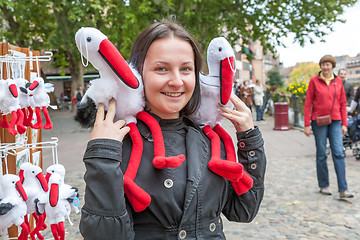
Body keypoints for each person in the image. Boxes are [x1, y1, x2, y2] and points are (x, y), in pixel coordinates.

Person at [79, 19, 266, 240]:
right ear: (138, 75)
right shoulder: (117, 141)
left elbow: (244, 210)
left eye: (186, 69)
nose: (177, 81)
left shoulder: (211, 139)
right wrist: (102, 156)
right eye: (161, 69)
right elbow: (106, 236)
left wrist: (250, 139)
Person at [304, 54, 353, 199]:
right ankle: (324, 185)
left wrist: (344, 123)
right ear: (320, 66)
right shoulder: (314, 81)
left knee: (338, 152)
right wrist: (307, 124)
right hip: (318, 121)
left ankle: (343, 189)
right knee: (321, 153)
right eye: (323, 64)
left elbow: (343, 104)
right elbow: (308, 103)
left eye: (328, 64)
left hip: (336, 121)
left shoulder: (338, 82)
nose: (325, 67)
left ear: (332, 66)